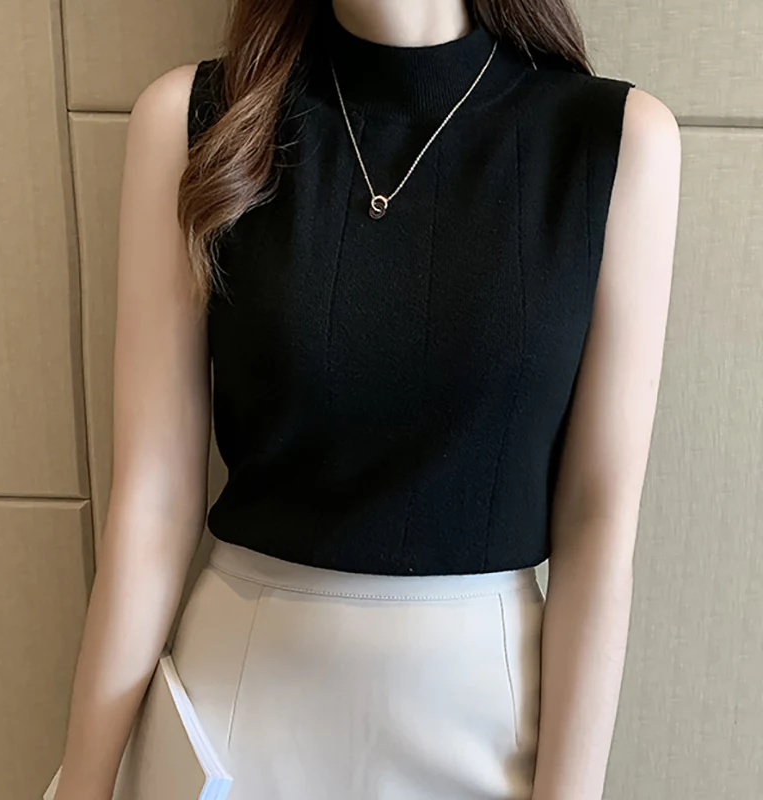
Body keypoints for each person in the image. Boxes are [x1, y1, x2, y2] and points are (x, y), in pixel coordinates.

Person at [48, 0, 680, 798]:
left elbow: (597, 522)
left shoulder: (614, 143)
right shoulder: (192, 123)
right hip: (234, 719)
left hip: (488, 729)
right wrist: (83, 785)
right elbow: (152, 502)